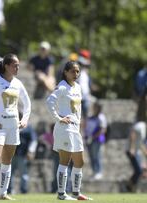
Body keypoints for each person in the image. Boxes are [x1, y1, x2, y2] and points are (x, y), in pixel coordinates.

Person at [0, 54, 31, 200]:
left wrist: (24, 119)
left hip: (13, 127)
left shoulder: (18, 83)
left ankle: (2, 193)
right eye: (15, 65)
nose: (17, 68)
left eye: (18, 65)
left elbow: (27, 103)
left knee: (7, 160)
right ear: (7, 66)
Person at [46, 61, 92, 200]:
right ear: (65, 72)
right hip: (65, 128)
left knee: (79, 162)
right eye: (73, 71)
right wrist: (58, 118)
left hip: (75, 129)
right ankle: (61, 194)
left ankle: (76, 193)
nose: (76, 74)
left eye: (77, 71)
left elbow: (77, 109)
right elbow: (49, 101)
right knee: (64, 161)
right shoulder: (62, 87)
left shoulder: (77, 87)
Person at [7, 124, 37, 194]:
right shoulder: (11, 125)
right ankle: (9, 190)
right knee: (9, 173)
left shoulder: (28, 128)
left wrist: (30, 151)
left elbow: (33, 140)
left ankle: (24, 190)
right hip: (11, 154)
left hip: (23, 155)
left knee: (24, 174)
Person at [85, 101, 107, 180]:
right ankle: (94, 171)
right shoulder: (91, 116)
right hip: (89, 139)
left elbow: (103, 129)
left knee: (97, 155)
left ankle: (99, 172)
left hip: (97, 140)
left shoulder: (101, 117)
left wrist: (93, 137)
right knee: (91, 156)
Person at [126, 120, 147, 192]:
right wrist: (132, 148)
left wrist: (145, 153)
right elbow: (133, 133)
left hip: (135, 151)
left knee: (139, 171)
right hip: (131, 150)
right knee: (139, 171)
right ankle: (129, 187)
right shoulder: (141, 125)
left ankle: (131, 187)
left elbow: (140, 143)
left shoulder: (144, 131)